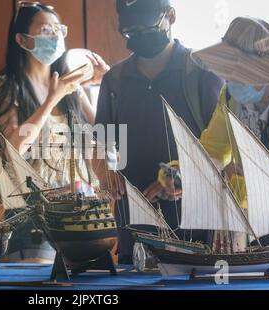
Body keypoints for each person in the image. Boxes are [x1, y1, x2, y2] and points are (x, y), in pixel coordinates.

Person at [94, 0, 224, 264]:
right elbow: (100, 144)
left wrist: (189, 178)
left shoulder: (202, 72)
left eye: (148, 27)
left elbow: (223, 149)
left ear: (171, 16)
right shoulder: (115, 79)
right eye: (132, 32)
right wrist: (104, 170)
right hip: (135, 220)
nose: (140, 36)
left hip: (196, 222)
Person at [0, 1, 110, 263]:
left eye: (58, 29)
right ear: (22, 40)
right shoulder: (8, 85)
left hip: (77, 211)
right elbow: (12, 149)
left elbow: (102, 136)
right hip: (33, 214)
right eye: (45, 30)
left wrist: (105, 85)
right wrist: (51, 100)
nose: (55, 37)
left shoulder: (71, 85)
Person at [190, 16, 269, 250]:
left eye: (236, 71)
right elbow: (214, 149)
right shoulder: (230, 95)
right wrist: (183, 173)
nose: (228, 79)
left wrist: (234, 181)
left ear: (264, 71)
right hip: (248, 220)